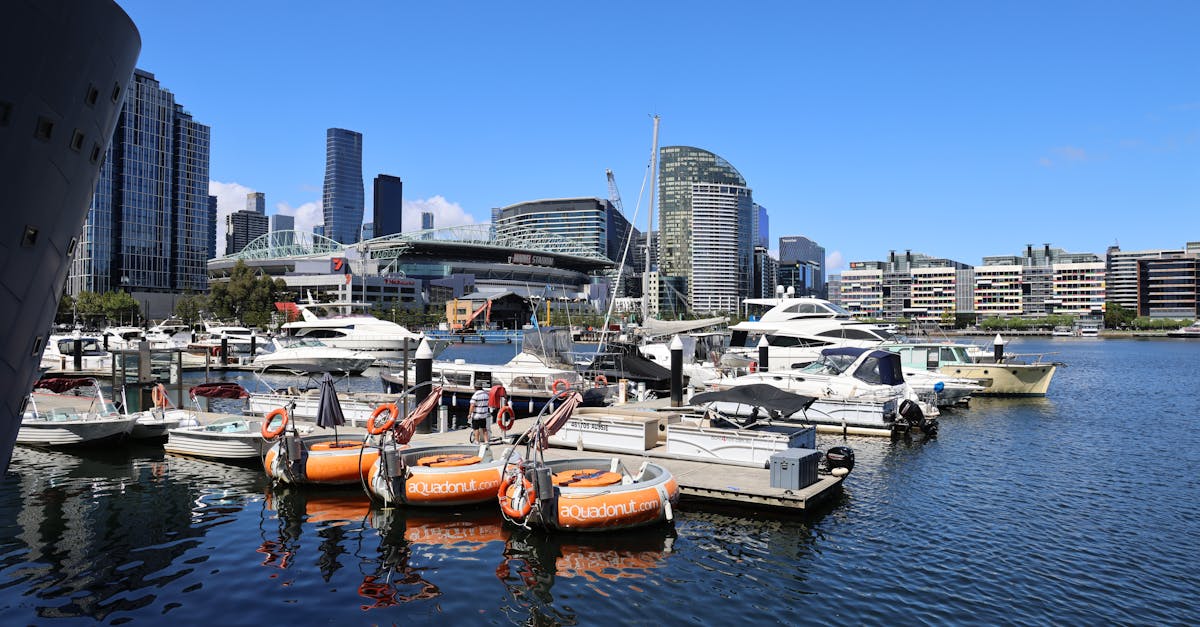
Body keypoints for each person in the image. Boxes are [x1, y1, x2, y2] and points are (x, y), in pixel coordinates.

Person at [468, 379, 490, 443]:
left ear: (476, 387)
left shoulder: (476, 395)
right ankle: (486, 441)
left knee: (476, 428)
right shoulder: (486, 394)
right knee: (484, 428)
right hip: (484, 414)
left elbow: (472, 405)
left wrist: (469, 414)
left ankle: (477, 441)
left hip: (476, 415)